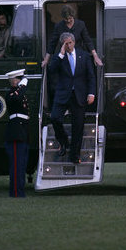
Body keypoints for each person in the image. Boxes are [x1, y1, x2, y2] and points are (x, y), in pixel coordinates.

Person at [50, 32, 96, 163]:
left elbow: (91, 76)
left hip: (79, 95)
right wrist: (61, 54)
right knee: (54, 118)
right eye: (66, 43)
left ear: (74, 42)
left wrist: (91, 93)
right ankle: (64, 142)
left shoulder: (85, 56)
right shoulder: (59, 57)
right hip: (63, 94)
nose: (68, 45)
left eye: (70, 43)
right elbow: (52, 69)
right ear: (62, 44)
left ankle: (74, 155)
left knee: (78, 126)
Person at [4, 69, 30, 197]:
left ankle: (20, 190)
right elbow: (17, 99)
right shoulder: (10, 94)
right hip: (15, 131)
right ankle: (15, 192)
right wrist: (23, 86)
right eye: (17, 80)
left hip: (22, 131)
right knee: (16, 164)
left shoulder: (18, 93)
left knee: (21, 164)